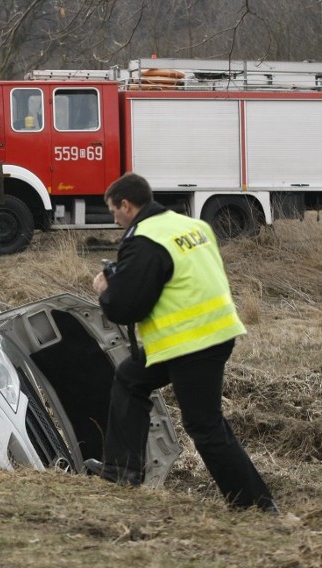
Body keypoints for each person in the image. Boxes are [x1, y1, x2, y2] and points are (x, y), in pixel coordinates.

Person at [88, 173, 279, 513]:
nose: (113, 218)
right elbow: (177, 275)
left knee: (204, 425)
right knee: (131, 378)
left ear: (127, 205)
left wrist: (107, 289)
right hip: (213, 333)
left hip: (191, 342)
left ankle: (257, 506)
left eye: (113, 210)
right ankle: (122, 471)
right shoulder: (191, 226)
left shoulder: (144, 238)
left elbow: (128, 306)